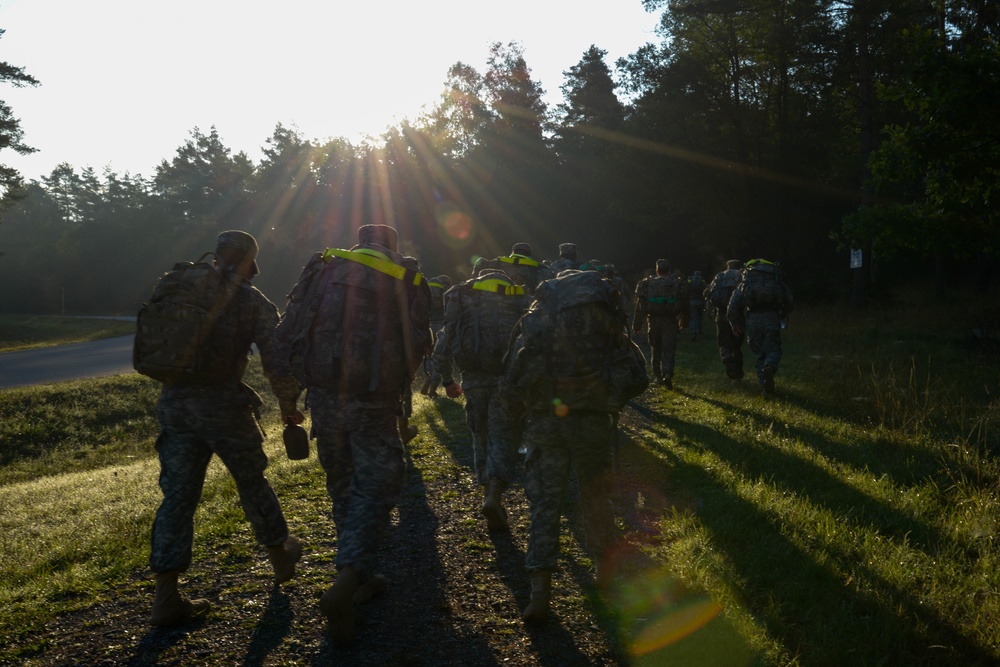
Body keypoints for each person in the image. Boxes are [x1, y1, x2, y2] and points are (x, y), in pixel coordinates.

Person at [275, 224, 432, 645]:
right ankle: (348, 579)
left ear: (359, 242)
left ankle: (358, 575)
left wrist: (290, 401)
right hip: (374, 399)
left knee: (342, 484)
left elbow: (288, 333)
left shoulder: (324, 267)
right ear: (392, 246)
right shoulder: (407, 277)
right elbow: (418, 342)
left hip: (324, 397)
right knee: (379, 484)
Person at [147, 230, 304, 627]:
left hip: (175, 404)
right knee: (252, 482)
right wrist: (288, 405)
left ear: (217, 255)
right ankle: (279, 556)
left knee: (178, 497)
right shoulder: (252, 301)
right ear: (251, 260)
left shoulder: (180, 287)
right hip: (223, 407)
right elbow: (276, 360)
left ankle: (166, 595)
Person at [499, 269, 646, 624]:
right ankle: (603, 573)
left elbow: (514, 378)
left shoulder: (537, 322)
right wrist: (604, 396)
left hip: (547, 425)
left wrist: (532, 405)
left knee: (544, 505)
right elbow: (638, 376)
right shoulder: (609, 326)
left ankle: (540, 592)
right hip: (593, 425)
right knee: (596, 496)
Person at [433, 267, 531, 531]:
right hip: (507, 380)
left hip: (473, 379)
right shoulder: (518, 298)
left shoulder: (464, 298)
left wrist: (447, 380)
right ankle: (495, 493)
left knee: (480, 435)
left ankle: (488, 489)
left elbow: (444, 341)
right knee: (504, 435)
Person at [727, 258, 793, 397]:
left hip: (753, 319)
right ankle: (769, 367)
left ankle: (764, 385)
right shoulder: (776, 280)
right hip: (772, 317)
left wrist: (735, 323)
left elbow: (733, 306)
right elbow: (789, 300)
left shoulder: (747, 281)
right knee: (773, 349)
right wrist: (783, 314)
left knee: (759, 353)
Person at [633, 259, 689, 388]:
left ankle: (658, 376)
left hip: (653, 320)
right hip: (670, 320)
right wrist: (684, 322)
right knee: (669, 349)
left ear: (657, 270)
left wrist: (637, 324)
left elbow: (640, 306)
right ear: (669, 270)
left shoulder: (647, 283)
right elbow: (685, 304)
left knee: (655, 349)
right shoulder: (677, 282)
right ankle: (667, 373)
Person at [706, 259, 746, 380]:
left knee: (724, 342)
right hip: (738, 316)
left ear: (727, 266)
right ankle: (738, 373)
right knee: (737, 345)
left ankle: (726, 356)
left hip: (721, 315)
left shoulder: (720, 276)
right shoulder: (742, 275)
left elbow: (710, 293)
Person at [420, 274, 453, 397]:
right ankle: (433, 389)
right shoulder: (446, 292)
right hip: (440, 326)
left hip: (427, 325)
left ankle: (427, 376)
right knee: (440, 357)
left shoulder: (429, 289)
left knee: (428, 355)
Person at [477, 242, 554, 295]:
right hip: (525, 305)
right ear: (529, 254)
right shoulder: (539, 268)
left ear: (513, 252)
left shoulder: (498, 262)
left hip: (498, 301)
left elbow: (480, 270)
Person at [687, 270, 706, 340]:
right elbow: (705, 286)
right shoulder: (702, 279)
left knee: (693, 317)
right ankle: (699, 330)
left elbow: (687, 286)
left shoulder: (690, 279)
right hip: (700, 300)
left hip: (692, 300)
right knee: (700, 316)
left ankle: (693, 332)